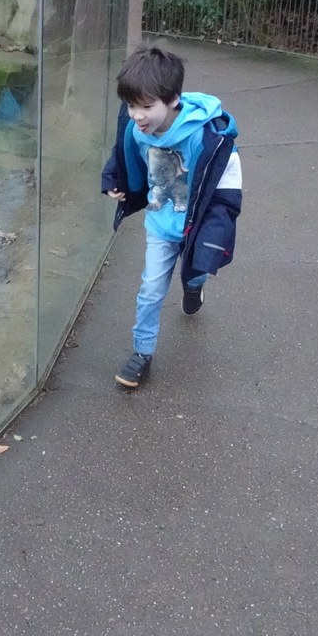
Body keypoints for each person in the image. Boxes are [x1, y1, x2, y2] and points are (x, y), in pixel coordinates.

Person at [100, 46, 243, 388]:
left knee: (194, 273)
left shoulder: (206, 137)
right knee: (150, 289)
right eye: (132, 106)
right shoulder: (137, 131)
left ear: (173, 99)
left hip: (197, 223)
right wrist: (115, 183)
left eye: (146, 106)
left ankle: (194, 287)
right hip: (161, 222)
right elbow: (123, 156)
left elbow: (227, 185)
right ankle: (142, 353)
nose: (137, 115)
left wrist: (216, 234)